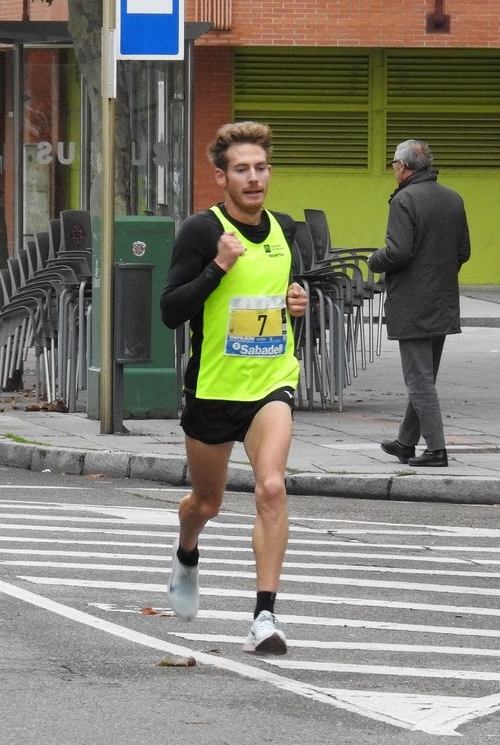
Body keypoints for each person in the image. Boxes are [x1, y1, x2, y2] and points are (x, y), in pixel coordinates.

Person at [159, 121, 307, 655]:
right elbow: (171, 311)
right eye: (241, 169)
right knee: (207, 501)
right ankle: (186, 551)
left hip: (272, 379)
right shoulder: (202, 232)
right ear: (221, 177)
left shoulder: (286, 229)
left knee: (271, 487)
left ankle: (263, 619)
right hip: (215, 388)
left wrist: (297, 302)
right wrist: (219, 266)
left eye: (261, 168)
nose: (253, 178)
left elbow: (282, 296)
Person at [370, 140, 470, 468]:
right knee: (424, 376)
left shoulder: (404, 199)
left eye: (394, 165)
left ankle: (437, 449)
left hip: (412, 301)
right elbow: (463, 251)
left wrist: (374, 260)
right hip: (442, 299)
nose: (393, 171)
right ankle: (405, 442)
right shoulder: (453, 198)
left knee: (418, 378)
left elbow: (398, 251)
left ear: (402, 167)